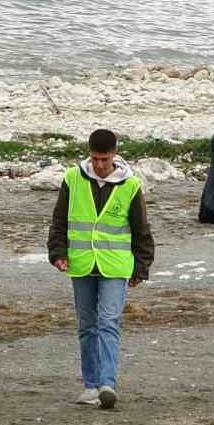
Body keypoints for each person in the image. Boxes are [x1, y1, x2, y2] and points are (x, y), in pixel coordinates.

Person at [47, 129, 155, 410]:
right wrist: (57, 253)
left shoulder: (130, 185)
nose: (99, 165)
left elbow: (141, 229)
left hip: (116, 265)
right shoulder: (72, 179)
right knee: (86, 326)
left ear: (114, 155)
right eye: (95, 159)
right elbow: (59, 221)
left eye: (104, 160)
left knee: (108, 321)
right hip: (81, 262)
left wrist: (141, 266)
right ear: (89, 154)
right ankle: (91, 385)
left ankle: (107, 384)